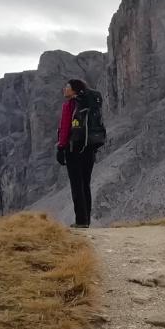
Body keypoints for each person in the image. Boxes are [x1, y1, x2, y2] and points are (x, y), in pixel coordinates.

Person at [56, 79, 106, 228]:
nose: (64, 89)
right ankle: (86, 220)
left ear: (74, 90)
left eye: (67, 87)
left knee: (76, 185)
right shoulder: (91, 103)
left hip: (74, 149)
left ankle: (80, 221)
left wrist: (61, 148)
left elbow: (65, 129)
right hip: (89, 148)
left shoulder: (70, 105)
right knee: (85, 184)